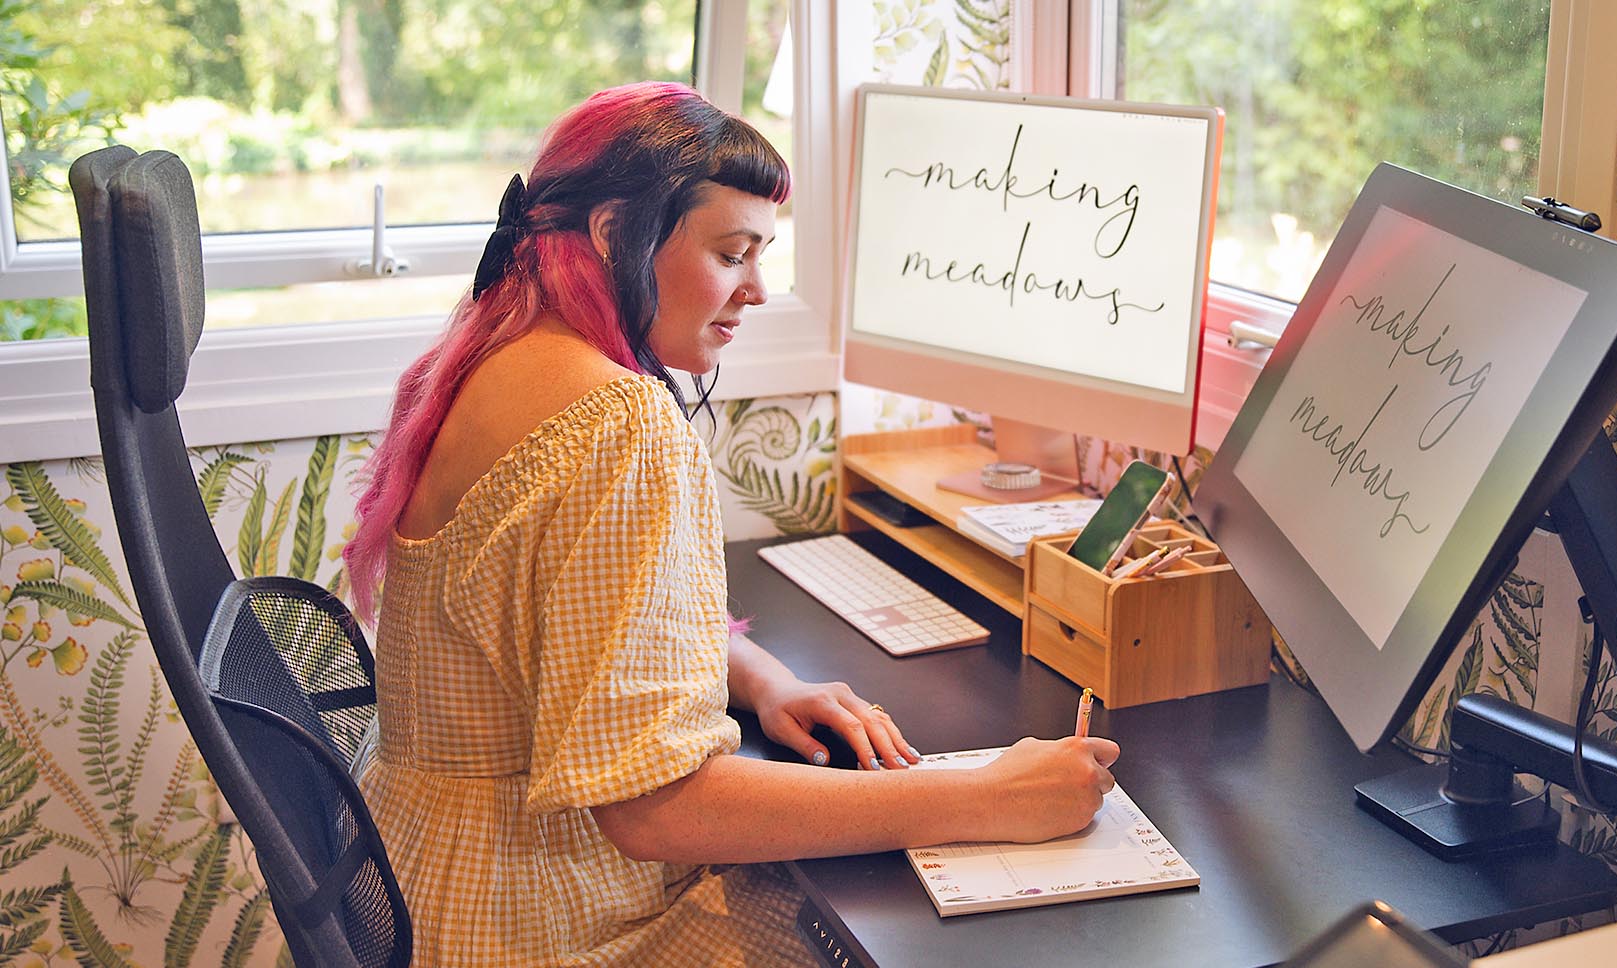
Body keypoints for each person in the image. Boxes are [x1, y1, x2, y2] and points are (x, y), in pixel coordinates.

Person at [342, 82, 1121, 966]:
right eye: (732, 252)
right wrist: (983, 796)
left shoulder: (495, 349)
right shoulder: (615, 421)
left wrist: (760, 678)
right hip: (535, 918)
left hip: (427, 877)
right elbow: (654, 807)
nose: (754, 289)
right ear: (613, 235)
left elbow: (564, 623)